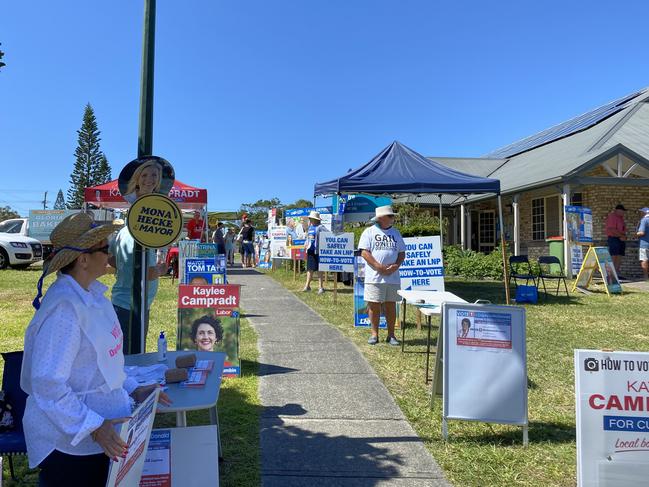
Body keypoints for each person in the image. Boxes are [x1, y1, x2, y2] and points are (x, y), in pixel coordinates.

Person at [22, 213, 170, 486]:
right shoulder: (65, 310)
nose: (110, 254)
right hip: (70, 445)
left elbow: (104, 361)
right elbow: (47, 383)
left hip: (100, 434)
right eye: (105, 248)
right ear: (83, 259)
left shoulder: (91, 296)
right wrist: (93, 426)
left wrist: (133, 387)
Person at [109, 226, 167, 353]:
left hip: (122, 301)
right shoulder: (143, 234)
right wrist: (161, 269)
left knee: (122, 350)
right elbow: (148, 273)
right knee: (134, 354)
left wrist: (126, 268)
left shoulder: (122, 232)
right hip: (134, 305)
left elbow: (111, 259)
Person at [358, 205, 406, 346]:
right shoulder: (369, 232)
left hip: (393, 277)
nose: (393, 218)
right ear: (381, 218)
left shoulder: (396, 233)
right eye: (390, 216)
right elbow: (364, 252)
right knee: (374, 305)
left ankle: (391, 335)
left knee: (391, 305)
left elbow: (402, 253)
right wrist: (379, 267)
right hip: (374, 276)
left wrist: (396, 265)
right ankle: (374, 334)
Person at [303, 211, 325, 293]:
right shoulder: (310, 227)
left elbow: (327, 235)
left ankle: (320, 287)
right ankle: (307, 286)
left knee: (320, 269)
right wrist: (306, 243)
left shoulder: (321, 227)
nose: (310, 220)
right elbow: (308, 238)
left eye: (311, 218)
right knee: (310, 269)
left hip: (318, 251)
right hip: (310, 250)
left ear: (316, 219)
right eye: (310, 218)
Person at [605, 204, 627, 278]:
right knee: (614, 256)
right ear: (617, 210)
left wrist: (623, 236)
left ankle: (616, 274)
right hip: (614, 238)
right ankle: (610, 274)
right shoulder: (612, 217)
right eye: (622, 211)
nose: (623, 212)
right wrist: (621, 236)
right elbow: (612, 229)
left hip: (620, 239)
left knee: (619, 255)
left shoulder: (621, 218)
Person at [636, 207, 649, 280]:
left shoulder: (644, 220)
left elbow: (642, 232)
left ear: (644, 213)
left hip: (645, 244)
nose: (640, 214)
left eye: (641, 212)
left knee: (644, 260)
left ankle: (646, 277)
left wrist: (636, 234)